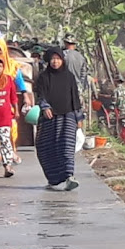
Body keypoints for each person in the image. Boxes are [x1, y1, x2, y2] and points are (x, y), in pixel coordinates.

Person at [34, 47, 82, 191]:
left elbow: (75, 97)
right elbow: (40, 95)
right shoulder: (43, 77)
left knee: (66, 146)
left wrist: (78, 117)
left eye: (58, 59)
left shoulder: (69, 77)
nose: (55, 62)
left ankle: (69, 177)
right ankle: (54, 179)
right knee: (45, 147)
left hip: (68, 116)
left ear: (62, 60)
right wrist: (45, 107)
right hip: (49, 118)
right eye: (52, 59)